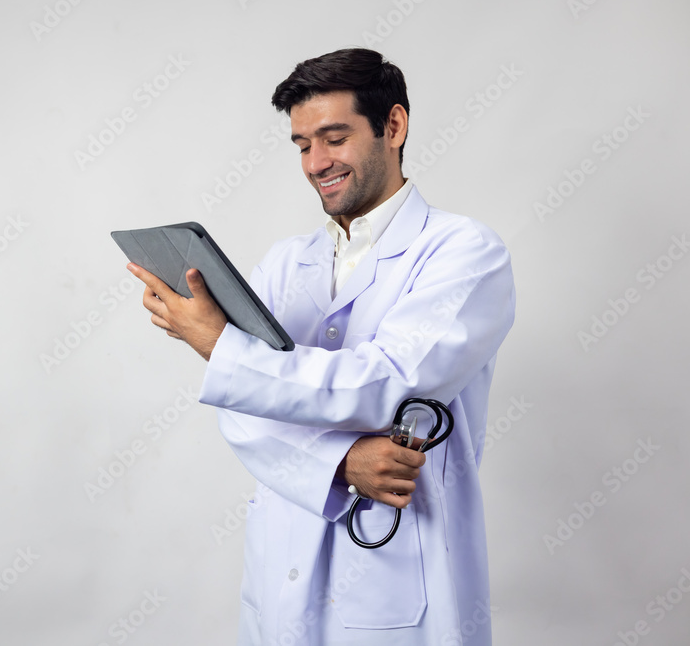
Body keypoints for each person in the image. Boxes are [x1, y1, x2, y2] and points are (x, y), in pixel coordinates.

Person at [127, 47, 515, 646]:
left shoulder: (465, 254)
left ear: (393, 126)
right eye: (303, 145)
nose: (316, 163)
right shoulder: (286, 262)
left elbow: (386, 383)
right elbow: (240, 409)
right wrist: (341, 464)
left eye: (335, 138)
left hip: (396, 572)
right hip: (279, 565)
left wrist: (216, 342)